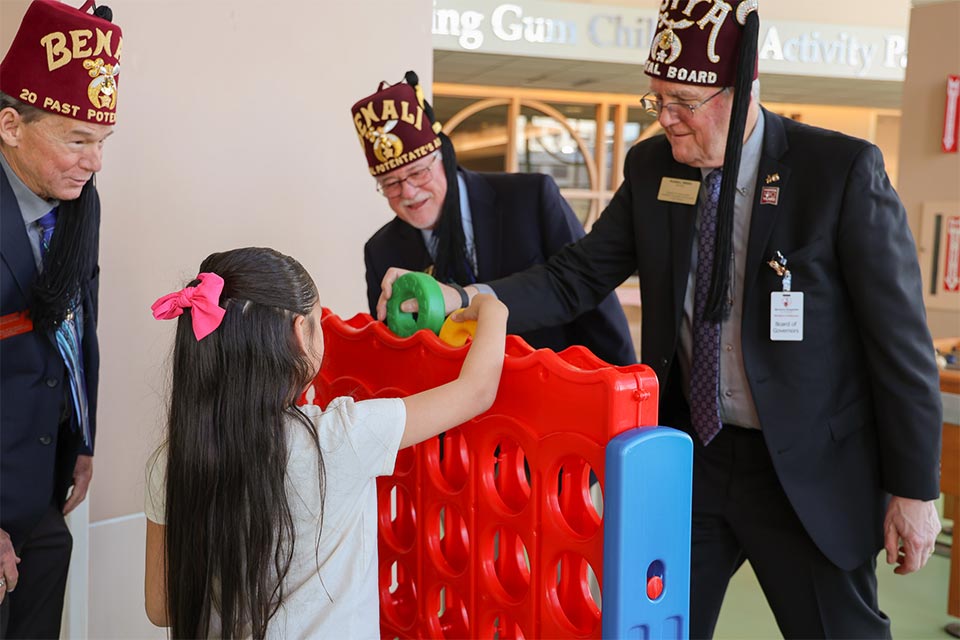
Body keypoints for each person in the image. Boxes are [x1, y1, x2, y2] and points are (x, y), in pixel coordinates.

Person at [378, 3, 943, 638]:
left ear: (744, 86)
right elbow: (576, 276)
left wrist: (914, 489)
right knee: (651, 626)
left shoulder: (837, 172)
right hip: (690, 454)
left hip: (804, 468)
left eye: (683, 102)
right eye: (656, 101)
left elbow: (899, 344)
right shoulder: (654, 170)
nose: (667, 119)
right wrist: (462, 299)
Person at [143, 247, 507, 638]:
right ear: (300, 333)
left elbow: (161, 607)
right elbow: (477, 392)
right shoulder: (339, 438)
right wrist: (489, 308)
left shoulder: (171, 460)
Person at [354, 71, 636, 366]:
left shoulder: (530, 198)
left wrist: (624, 381)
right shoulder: (381, 251)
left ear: (445, 157)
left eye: (418, 173)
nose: (409, 192)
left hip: (550, 381)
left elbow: (586, 290)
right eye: (390, 183)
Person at [0, 1, 121, 636]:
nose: (94, 161)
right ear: (11, 125)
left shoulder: (79, 203)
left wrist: (82, 438)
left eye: (102, 142)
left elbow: (79, 320)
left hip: (44, 488)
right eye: (78, 140)